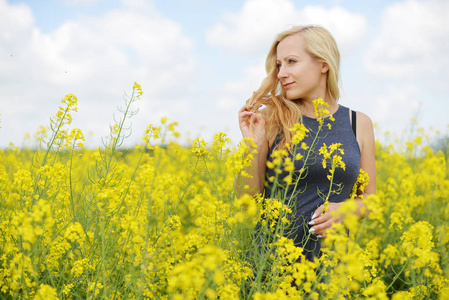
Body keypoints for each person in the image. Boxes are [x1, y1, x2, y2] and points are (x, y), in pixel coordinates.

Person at [236, 25, 376, 261]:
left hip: (331, 271)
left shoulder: (358, 123)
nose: (281, 73)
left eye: (291, 61)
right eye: (279, 65)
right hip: (271, 267)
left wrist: (345, 209)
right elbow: (245, 199)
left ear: (323, 64)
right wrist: (253, 145)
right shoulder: (271, 118)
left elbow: (370, 200)